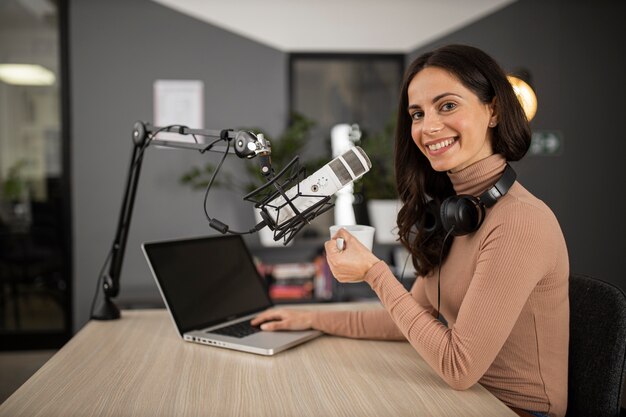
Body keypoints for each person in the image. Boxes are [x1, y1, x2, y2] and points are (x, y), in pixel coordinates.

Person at [252, 44, 569, 417]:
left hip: (515, 410)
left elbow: (459, 367)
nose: (428, 127)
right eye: (417, 113)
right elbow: (404, 318)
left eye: (447, 105)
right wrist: (308, 318)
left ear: (494, 110)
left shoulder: (520, 221)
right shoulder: (456, 213)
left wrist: (374, 273)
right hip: (464, 402)